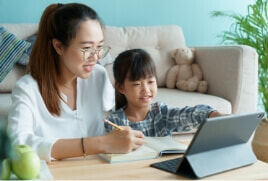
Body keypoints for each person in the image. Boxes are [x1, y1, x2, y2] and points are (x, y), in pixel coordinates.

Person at [7, 3, 145, 162]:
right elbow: (16, 145)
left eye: (99, 46)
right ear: (58, 46)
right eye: (87, 48)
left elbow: (115, 118)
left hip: (99, 169)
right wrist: (100, 143)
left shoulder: (98, 76)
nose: (95, 56)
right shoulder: (28, 89)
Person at [105, 49, 226, 136]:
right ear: (121, 88)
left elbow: (190, 114)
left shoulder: (161, 113)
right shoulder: (115, 121)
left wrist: (213, 114)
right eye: (137, 84)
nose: (146, 90)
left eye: (151, 82)